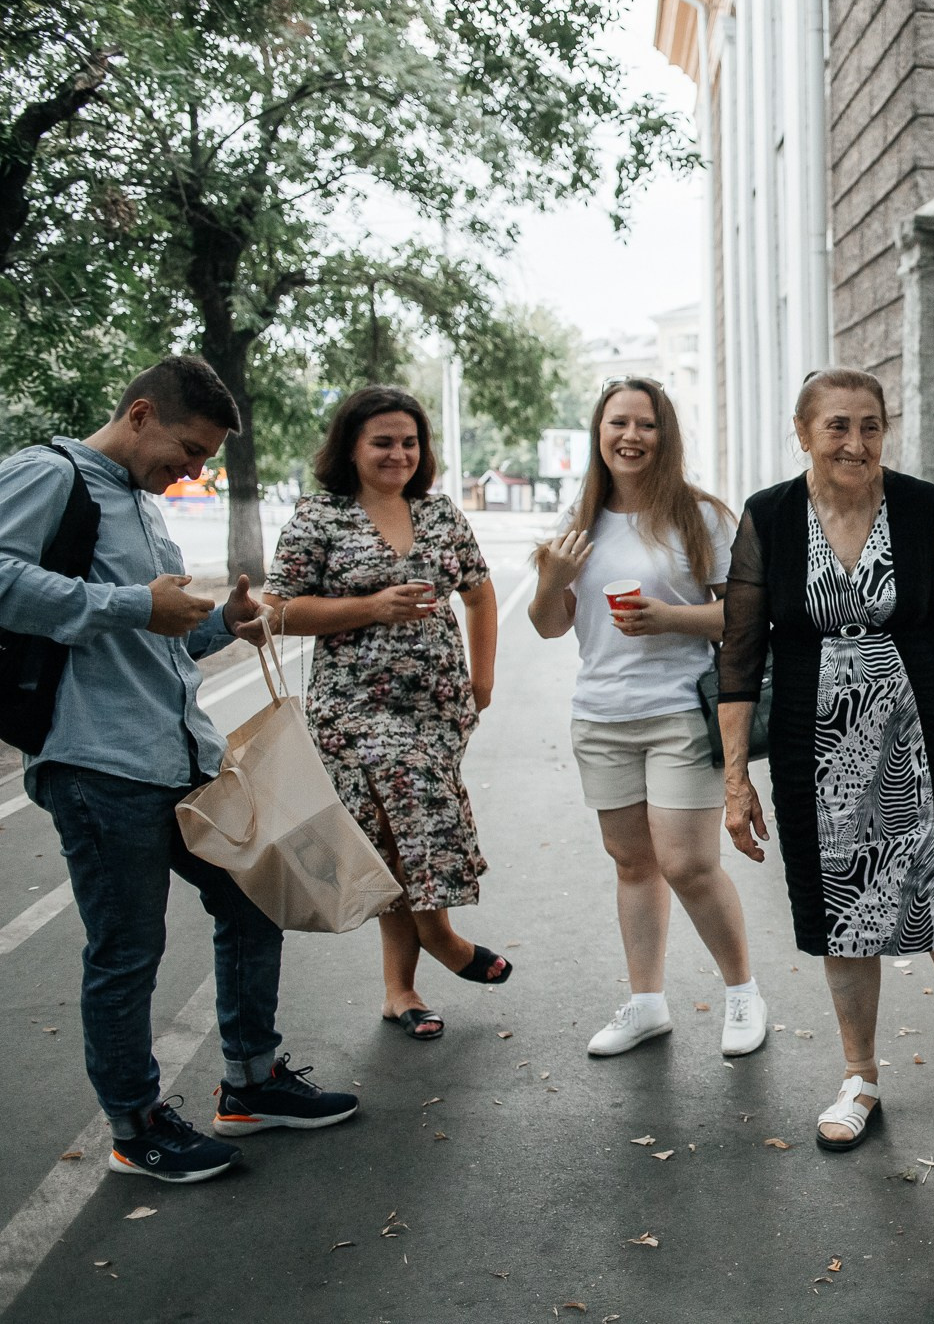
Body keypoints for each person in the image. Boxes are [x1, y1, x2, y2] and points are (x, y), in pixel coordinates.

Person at [0, 355, 358, 1184]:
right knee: (128, 950)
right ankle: (135, 1126)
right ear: (139, 413)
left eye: (204, 461)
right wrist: (135, 603)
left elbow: (156, 638)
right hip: (96, 761)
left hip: (178, 756)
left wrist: (222, 623)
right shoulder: (50, 475)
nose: (192, 471)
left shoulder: (141, 503)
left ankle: (251, 1080)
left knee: (252, 900)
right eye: (188, 450)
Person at [718, 367, 934, 1153]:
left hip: (920, 735)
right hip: (810, 746)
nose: (855, 442)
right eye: (837, 426)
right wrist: (734, 776)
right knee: (840, 914)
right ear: (804, 432)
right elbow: (741, 655)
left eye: (870, 425)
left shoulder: (921, 508)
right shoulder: (770, 517)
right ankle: (860, 1075)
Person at [527, 377, 768, 1059]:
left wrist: (669, 618)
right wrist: (550, 580)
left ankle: (743, 992)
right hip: (601, 715)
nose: (631, 436)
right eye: (618, 424)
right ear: (598, 435)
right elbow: (550, 626)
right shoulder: (579, 525)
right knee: (632, 862)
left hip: (679, 712)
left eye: (646, 424)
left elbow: (742, 618)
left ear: (665, 436)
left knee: (688, 861)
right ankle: (647, 1003)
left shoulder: (701, 517)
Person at [263, 385, 511, 1043]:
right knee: (409, 826)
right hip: (354, 711)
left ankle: (399, 990)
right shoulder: (320, 517)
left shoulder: (440, 513)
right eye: (383, 441)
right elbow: (279, 610)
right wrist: (371, 607)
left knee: (397, 843)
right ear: (351, 446)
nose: (399, 453)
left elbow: (482, 596)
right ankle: (442, 938)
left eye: (410, 441)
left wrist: (481, 680)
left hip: (436, 710)